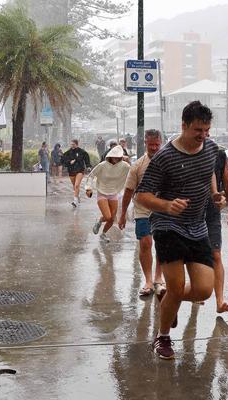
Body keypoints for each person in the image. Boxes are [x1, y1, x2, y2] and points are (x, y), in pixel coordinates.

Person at [135, 100, 220, 360]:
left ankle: (166, 300)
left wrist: (215, 195)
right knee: (177, 284)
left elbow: (208, 174)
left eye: (206, 130)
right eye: (198, 130)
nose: (203, 136)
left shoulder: (211, 149)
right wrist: (167, 205)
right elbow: (142, 195)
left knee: (204, 290)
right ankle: (162, 338)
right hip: (167, 225)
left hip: (197, 226)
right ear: (183, 125)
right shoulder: (165, 157)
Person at [119, 129, 166, 297]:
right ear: (145, 143)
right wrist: (123, 213)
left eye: (157, 145)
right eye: (150, 144)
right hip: (142, 209)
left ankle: (158, 277)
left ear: (161, 143)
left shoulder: (168, 162)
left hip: (163, 208)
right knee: (145, 243)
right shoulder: (137, 165)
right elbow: (128, 191)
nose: (154, 148)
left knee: (161, 242)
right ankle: (148, 280)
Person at [204, 147, 228, 312]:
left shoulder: (219, 154)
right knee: (195, 256)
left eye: (206, 131)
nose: (203, 135)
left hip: (213, 212)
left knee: (216, 254)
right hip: (191, 212)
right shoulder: (187, 152)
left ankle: (219, 301)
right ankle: (197, 291)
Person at [84, 145, 131, 243]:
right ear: (110, 156)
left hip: (114, 193)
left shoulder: (124, 166)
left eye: (118, 157)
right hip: (102, 192)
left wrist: (129, 161)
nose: (116, 159)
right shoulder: (102, 165)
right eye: (114, 157)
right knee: (108, 216)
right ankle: (99, 221)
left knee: (112, 219)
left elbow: (134, 172)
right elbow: (91, 176)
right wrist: (88, 188)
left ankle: (103, 234)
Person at [61, 139, 91, 207]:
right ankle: (77, 196)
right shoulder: (68, 152)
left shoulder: (82, 152)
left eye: (73, 144)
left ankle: (75, 201)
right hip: (71, 170)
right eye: (71, 144)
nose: (72, 146)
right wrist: (69, 162)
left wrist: (88, 166)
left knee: (77, 185)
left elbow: (87, 159)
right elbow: (63, 160)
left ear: (77, 144)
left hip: (80, 170)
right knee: (74, 186)